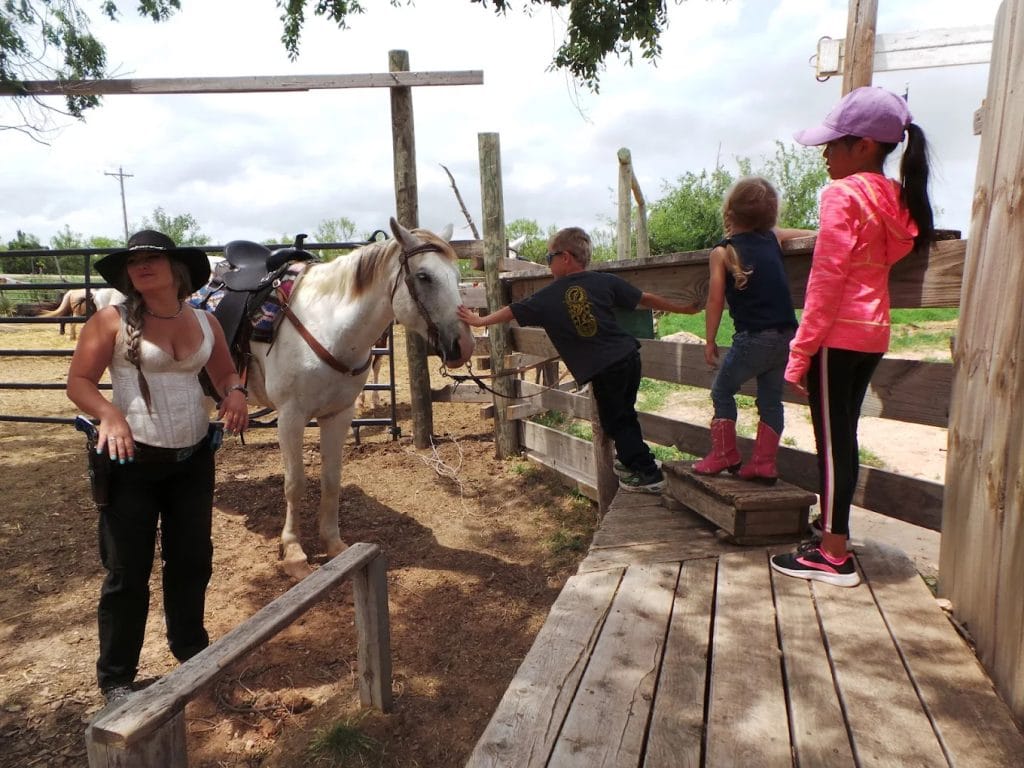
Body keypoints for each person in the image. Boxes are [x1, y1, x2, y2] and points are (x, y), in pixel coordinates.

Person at [67, 229, 249, 704]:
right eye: (134, 261)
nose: (142, 265)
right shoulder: (110, 319)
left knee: (192, 560)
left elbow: (226, 372)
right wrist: (109, 414)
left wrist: (234, 392)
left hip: (192, 459)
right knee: (128, 571)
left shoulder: (206, 322)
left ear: (177, 268)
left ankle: (192, 652)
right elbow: (79, 383)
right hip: (130, 462)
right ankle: (117, 679)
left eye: (153, 258)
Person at [770, 87, 934, 588]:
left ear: (863, 145)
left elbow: (825, 281)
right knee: (844, 436)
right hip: (872, 334)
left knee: (832, 440)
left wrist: (799, 354)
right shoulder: (893, 199)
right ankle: (832, 532)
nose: (824, 153)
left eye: (833, 143)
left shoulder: (842, 195)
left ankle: (834, 554)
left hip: (836, 336)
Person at [456, 226, 698, 493]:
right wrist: (683, 309)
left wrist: (480, 320)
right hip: (629, 358)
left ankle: (648, 474)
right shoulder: (604, 281)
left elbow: (512, 310)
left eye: (550, 258)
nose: (549, 264)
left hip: (606, 368)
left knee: (618, 420)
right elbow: (644, 299)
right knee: (623, 415)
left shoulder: (549, 296)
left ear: (566, 257)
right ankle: (630, 461)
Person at [692, 176, 815, 483]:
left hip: (753, 339)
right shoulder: (772, 237)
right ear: (770, 214)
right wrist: (828, 230)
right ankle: (764, 463)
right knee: (770, 399)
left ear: (729, 212)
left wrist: (709, 340)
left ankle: (725, 453)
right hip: (787, 338)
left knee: (722, 390)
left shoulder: (723, 252)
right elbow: (810, 234)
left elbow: (715, 300)